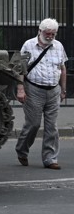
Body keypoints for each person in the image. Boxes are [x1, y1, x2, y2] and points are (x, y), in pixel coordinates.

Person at [15, 18, 67, 170]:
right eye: (48, 33)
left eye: (53, 33)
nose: (50, 36)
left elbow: (62, 69)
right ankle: (22, 150)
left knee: (52, 127)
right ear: (40, 31)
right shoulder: (29, 45)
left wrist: (63, 90)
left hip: (53, 90)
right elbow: (19, 68)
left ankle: (50, 159)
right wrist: (20, 89)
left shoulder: (58, 46)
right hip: (33, 90)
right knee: (33, 124)